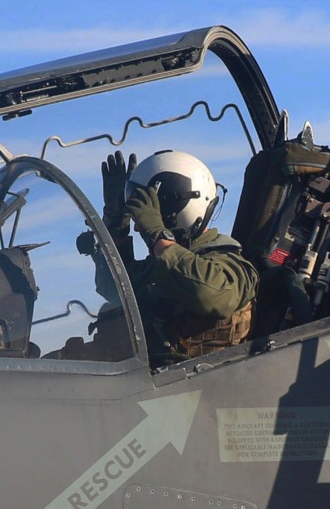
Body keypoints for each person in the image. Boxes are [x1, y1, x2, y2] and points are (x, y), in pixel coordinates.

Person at [101, 149, 258, 362]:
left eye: (145, 217)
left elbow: (210, 294)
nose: (138, 229)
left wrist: (158, 236)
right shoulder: (162, 265)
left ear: (173, 213)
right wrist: (115, 224)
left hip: (207, 389)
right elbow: (114, 288)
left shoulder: (230, 265)